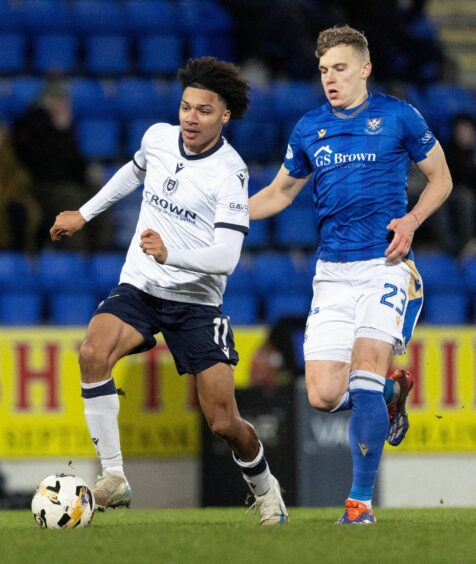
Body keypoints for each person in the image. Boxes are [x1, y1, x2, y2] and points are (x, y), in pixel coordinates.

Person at [49, 57, 287, 525]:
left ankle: (267, 490)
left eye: (203, 111)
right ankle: (114, 476)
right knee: (92, 353)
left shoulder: (230, 174)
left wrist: (171, 254)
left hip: (197, 302)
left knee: (222, 421)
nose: (190, 118)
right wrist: (84, 213)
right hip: (141, 284)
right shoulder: (158, 138)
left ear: (224, 117)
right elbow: (133, 172)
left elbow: (227, 257)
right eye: (185, 107)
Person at [248, 25, 452, 524]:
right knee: (321, 395)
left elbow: (441, 179)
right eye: (323, 71)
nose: (330, 79)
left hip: (384, 266)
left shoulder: (399, 116)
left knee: (361, 374)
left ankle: (358, 505)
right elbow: (279, 193)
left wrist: (411, 221)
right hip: (332, 274)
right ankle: (388, 394)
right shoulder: (310, 127)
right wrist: (224, 213)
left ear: (365, 68)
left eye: (340, 68)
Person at [13, 79, 110, 251]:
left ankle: (102, 251)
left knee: (101, 195)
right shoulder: (31, 125)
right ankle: (74, 252)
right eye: (58, 101)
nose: (63, 105)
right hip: (40, 185)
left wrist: (90, 174)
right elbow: (40, 163)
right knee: (69, 197)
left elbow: (73, 164)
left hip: (65, 184)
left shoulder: (66, 128)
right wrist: (57, 129)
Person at [0, 123, 41, 252]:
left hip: (9, 194)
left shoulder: (8, 152)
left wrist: (9, 189)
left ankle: (21, 253)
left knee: (24, 210)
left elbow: (21, 174)